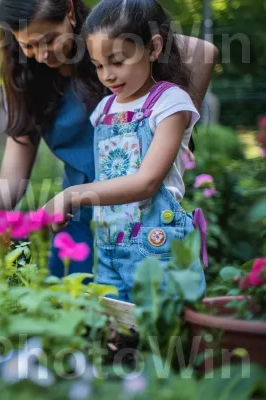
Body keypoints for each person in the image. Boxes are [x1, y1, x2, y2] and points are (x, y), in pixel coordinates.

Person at [0, 0, 218, 278]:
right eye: (29, 46)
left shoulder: (106, 44)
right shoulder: (28, 81)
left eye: (49, 39)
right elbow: (11, 183)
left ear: (70, 12)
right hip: (75, 216)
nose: (42, 54)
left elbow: (202, 52)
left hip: (139, 211)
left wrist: (171, 130)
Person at [42, 0, 207, 301]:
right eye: (98, 65)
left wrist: (72, 195)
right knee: (114, 339)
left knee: (160, 334)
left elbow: (146, 183)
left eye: (117, 61)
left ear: (153, 48)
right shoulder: (104, 109)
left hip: (158, 250)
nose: (107, 75)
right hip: (107, 248)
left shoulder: (170, 103)